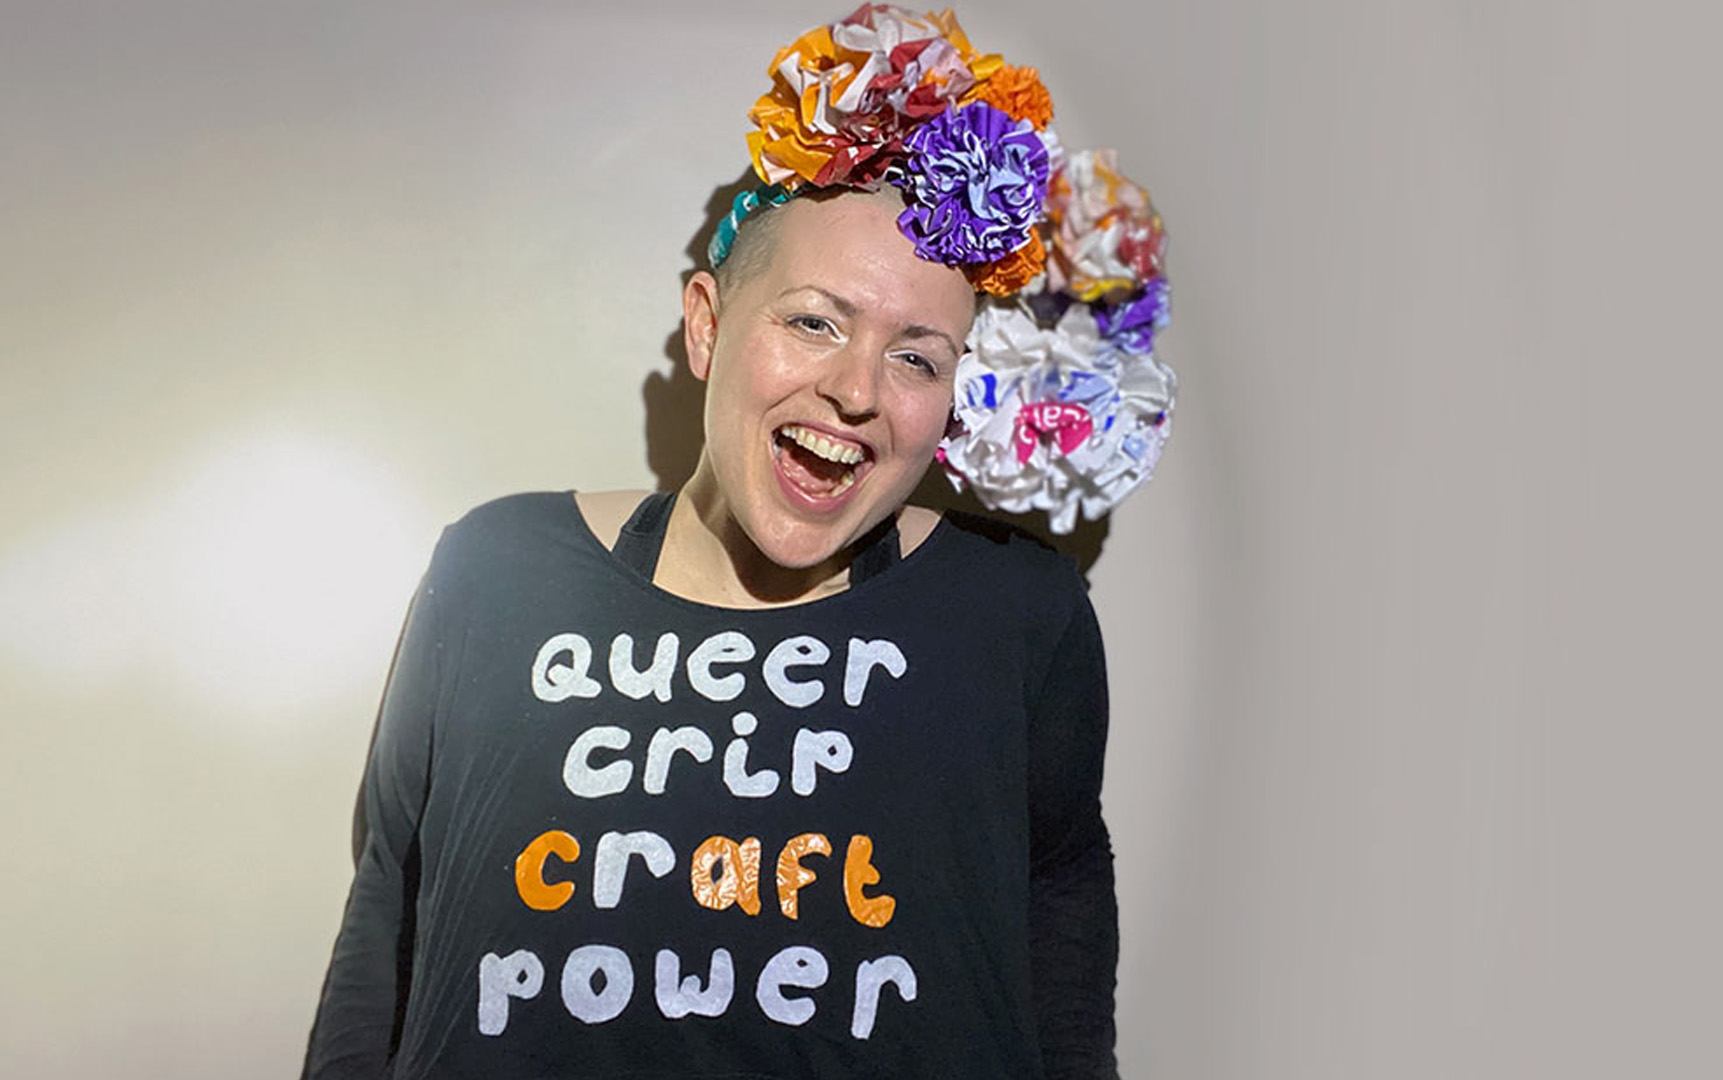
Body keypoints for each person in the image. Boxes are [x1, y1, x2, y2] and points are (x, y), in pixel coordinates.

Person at [304, 7, 1173, 1078]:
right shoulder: (495, 573)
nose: (856, 391)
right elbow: (388, 904)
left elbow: (1062, 941)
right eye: (814, 321)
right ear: (708, 323)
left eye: (917, 358)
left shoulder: (1015, 615)